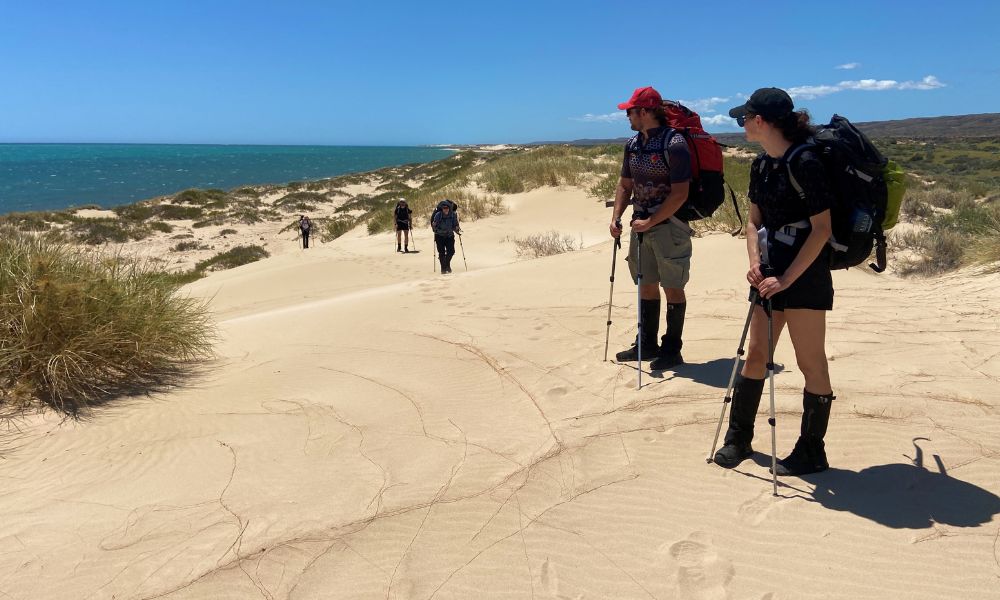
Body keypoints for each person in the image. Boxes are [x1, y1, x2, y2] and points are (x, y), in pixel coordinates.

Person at [713, 88, 836, 476]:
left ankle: (812, 451)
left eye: (744, 119)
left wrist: (786, 279)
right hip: (769, 273)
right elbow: (753, 222)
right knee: (756, 354)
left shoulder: (809, 163)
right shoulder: (761, 165)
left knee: (809, 361)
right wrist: (755, 263)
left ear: (761, 121)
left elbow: (821, 230)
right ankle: (738, 438)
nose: (742, 125)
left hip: (804, 274)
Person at [609, 86, 693, 371]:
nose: (627, 117)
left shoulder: (675, 144)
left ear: (644, 112)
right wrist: (617, 217)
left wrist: (652, 221)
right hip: (640, 226)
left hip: (670, 226)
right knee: (645, 284)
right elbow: (625, 184)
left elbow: (680, 193)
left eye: (630, 111)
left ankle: (672, 350)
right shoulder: (633, 144)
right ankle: (646, 344)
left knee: (672, 287)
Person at [431, 199, 461, 273]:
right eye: (444, 208)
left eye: (447, 208)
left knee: (451, 251)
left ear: (449, 208)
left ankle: (447, 264)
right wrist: (434, 226)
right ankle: (443, 269)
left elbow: (455, 225)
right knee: (441, 253)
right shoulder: (438, 215)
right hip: (440, 236)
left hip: (449, 236)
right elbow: (434, 224)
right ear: (442, 208)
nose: (446, 209)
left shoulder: (453, 215)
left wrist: (457, 229)